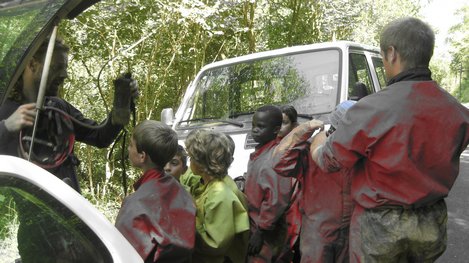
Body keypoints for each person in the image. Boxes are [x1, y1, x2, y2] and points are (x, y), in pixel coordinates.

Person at [310, 17, 469, 262]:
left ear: (392, 53)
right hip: (431, 223)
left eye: (383, 56)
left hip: (379, 227)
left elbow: (330, 161)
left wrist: (318, 141)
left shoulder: (369, 109)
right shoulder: (458, 112)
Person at [0, 36, 137, 193]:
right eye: (57, 67)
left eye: (65, 68)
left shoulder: (58, 108)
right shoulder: (6, 111)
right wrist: (6, 127)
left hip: (68, 210)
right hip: (30, 214)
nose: (65, 74)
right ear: (32, 64)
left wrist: (122, 104)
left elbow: (100, 136)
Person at [273, 101, 356, 263]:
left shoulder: (360, 149)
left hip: (352, 230)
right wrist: (303, 130)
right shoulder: (311, 149)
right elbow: (279, 162)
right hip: (318, 232)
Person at [115, 120, 196, 263]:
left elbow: (123, 253)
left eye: (131, 145)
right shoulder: (181, 191)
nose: (128, 149)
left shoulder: (135, 204)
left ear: (142, 156)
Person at [184, 129, 249, 263]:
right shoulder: (208, 184)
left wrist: (189, 217)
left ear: (202, 164)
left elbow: (214, 244)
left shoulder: (220, 196)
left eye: (191, 158)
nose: (189, 163)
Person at [245, 105, 298, 263]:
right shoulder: (259, 153)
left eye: (261, 127)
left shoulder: (274, 160)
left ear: (276, 130)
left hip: (267, 231)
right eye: (254, 125)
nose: (255, 130)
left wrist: (261, 232)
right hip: (254, 224)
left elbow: (275, 201)